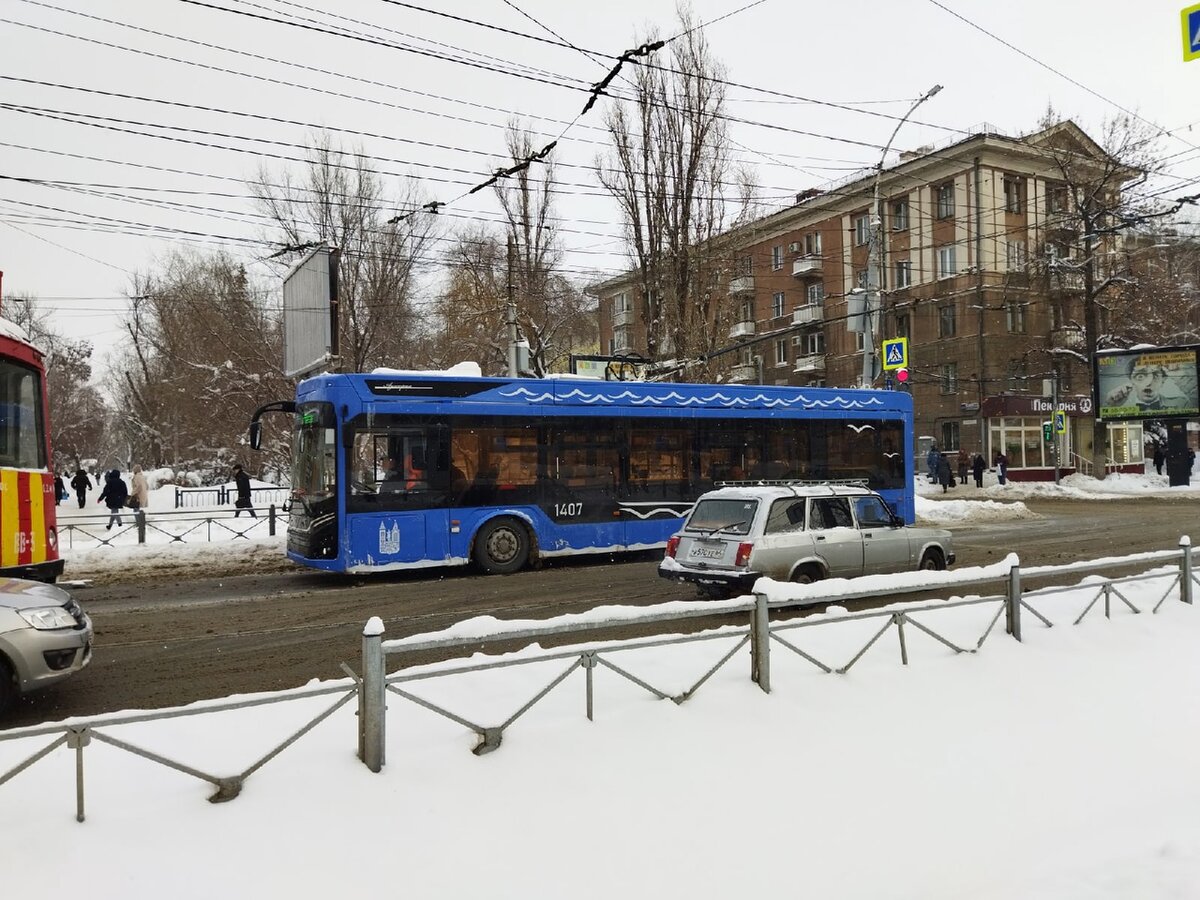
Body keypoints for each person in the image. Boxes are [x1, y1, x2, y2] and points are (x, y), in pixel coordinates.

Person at [1105, 358, 1170, 411]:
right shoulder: (1122, 407)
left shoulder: (1178, 403)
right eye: (1140, 376)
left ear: (1163, 380)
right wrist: (1111, 406)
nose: (1148, 383)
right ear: (1131, 381)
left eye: (1155, 376)